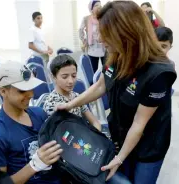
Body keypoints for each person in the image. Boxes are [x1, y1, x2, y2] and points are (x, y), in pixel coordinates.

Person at [57, 1, 177, 184]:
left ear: (126, 34)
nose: (100, 40)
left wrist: (119, 159)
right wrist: (70, 104)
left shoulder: (159, 72)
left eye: (106, 35)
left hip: (148, 146)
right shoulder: (117, 54)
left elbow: (139, 123)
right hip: (121, 134)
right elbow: (100, 85)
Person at [0, 61, 63, 184]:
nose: (31, 94)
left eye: (31, 88)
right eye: (22, 91)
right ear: (3, 91)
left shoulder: (39, 114)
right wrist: (34, 166)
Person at [43, 54, 101, 131]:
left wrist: (97, 136)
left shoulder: (76, 96)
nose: (71, 81)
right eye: (64, 77)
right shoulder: (51, 104)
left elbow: (95, 122)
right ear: (53, 77)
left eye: (73, 76)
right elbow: (62, 136)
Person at [79, 0, 106, 73]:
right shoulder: (86, 19)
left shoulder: (104, 17)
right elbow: (80, 30)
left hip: (104, 48)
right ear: (91, 8)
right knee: (94, 70)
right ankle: (95, 83)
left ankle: (107, 83)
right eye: (96, 5)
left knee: (107, 70)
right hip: (92, 48)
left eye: (100, 5)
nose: (99, 7)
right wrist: (84, 41)